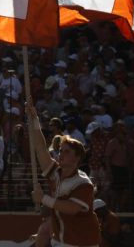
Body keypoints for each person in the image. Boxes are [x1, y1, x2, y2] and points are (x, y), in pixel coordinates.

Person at [26, 104, 99, 247]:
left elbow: (71, 208)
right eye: (60, 151)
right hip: (61, 240)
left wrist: (43, 199)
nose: (61, 154)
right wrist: (34, 119)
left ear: (77, 158)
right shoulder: (56, 173)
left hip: (83, 243)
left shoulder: (83, 183)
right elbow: (41, 149)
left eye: (66, 152)